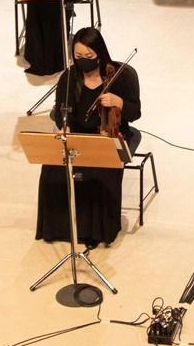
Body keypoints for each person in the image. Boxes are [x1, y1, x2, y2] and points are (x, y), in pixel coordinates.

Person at [35, 27, 141, 249]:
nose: (83, 61)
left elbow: (136, 113)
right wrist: (61, 127)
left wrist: (118, 102)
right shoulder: (69, 77)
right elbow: (60, 111)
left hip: (109, 136)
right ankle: (61, 228)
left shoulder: (119, 77)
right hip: (77, 136)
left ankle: (97, 231)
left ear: (99, 53)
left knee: (99, 173)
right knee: (51, 172)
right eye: (78, 57)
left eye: (89, 57)